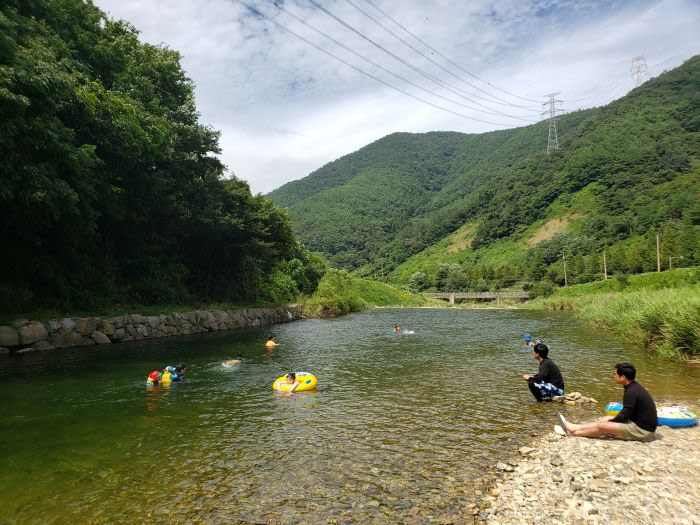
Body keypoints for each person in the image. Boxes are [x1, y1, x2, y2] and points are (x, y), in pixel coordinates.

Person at [557, 362, 657, 442]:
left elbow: (623, 416)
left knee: (603, 425)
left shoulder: (631, 392)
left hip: (643, 431)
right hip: (638, 424)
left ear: (623, 377)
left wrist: (608, 423)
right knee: (605, 419)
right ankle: (574, 427)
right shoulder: (634, 387)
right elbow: (626, 413)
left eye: (615, 374)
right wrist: (609, 420)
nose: (614, 376)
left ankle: (572, 433)